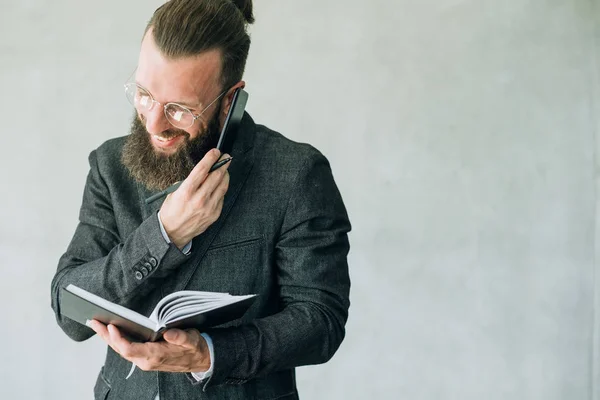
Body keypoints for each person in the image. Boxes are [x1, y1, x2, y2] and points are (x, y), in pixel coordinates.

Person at [50, 1, 351, 399]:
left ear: (229, 101)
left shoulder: (297, 174)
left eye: (179, 108)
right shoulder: (110, 165)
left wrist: (207, 354)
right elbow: (69, 310)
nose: (154, 123)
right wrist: (165, 234)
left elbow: (321, 321)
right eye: (143, 94)